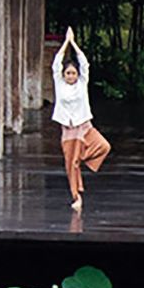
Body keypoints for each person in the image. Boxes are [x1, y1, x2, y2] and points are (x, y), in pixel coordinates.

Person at [50, 27, 109, 210]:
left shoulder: (82, 83)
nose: (70, 76)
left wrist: (73, 43)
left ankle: (82, 158)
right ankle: (76, 197)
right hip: (68, 130)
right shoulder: (59, 84)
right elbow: (56, 64)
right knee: (71, 166)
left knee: (104, 146)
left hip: (84, 125)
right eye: (68, 73)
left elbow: (84, 64)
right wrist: (64, 44)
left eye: (73, 73)